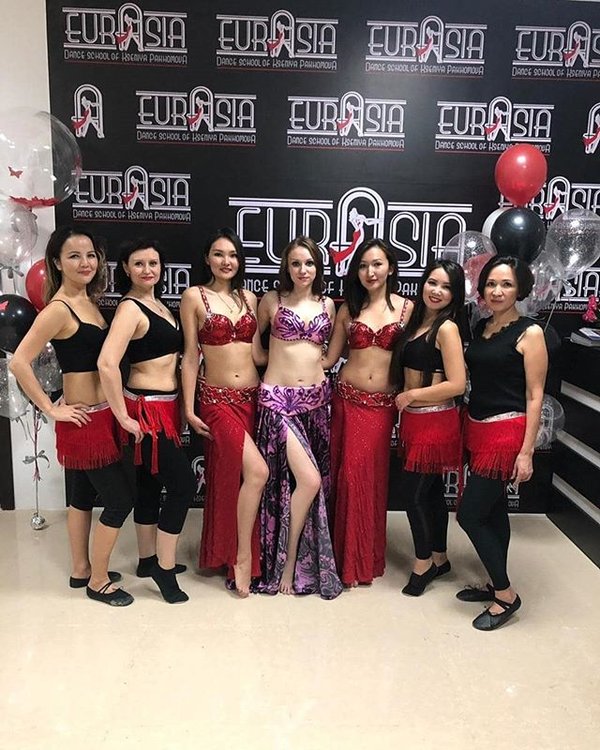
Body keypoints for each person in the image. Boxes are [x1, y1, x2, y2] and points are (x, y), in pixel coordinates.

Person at [10, 226, 134, 606]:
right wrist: (50, 409)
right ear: (57, 262)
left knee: (81, 495)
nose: (85, 262)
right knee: (119, 500)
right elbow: (19, 362)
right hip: (82, 422)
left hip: (100, 415)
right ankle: (98, 581)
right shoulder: (58, 309)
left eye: (90, 255)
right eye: (74, 256)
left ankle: (81, 569)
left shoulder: (89, 302)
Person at [98, 239, 195, 604]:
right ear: (125, 268)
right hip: (146, 410)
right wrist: (122, 415)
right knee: (183, 485)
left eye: (153, 263)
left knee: (150, 485)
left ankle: (147, 559)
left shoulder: (160, 304)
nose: (147, 270)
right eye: (138, 264)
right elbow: (107, 363)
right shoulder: (130, 308)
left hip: (165, 407)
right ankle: (163, 570)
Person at [456, 255, 547, 630]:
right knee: (494, 512)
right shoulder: (483, 327)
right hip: (477, 428)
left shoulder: (531, 333)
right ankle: (496, 582)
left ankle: (506, 596)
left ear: (520, 289)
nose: (497, 291)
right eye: (491, 283)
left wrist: (526, 452)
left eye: (506, 284)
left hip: (507, 432)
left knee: (469, 515)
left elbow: (535, 396)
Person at [180, 228, 268, 598]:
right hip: (216, 402)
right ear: (207, 258)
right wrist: (188, 408)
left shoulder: (249, 297)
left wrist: (299, 352)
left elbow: (258, 353)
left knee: (234, 478)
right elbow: (190, 356)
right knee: (258, 472)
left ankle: (226, 552)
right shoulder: (193, 296)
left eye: (232, 255)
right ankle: (241, 557)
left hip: (251, 399)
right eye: (218, 254)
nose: (226, 261)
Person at [255, 236, 342, 598]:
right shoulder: (271, 301)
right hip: (278, 402)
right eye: (295, 263)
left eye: (309, 263)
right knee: (308, 481)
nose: (302, 270)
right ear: (286, 267)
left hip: (317, 403)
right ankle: (287, 562)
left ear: (318, 267)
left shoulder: (328, 305)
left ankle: (303, 557)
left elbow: (329, 356)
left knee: (311, 485)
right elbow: (255, 351)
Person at [324, 238, 412, 586]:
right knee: (345, 477)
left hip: (381, 408)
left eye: (377, 264)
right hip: (346, 400)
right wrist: (289, 364)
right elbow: (329, 359)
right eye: (362, 266)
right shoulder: (349, 309)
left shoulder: (408, 309)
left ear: (390, 267)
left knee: (366, 479)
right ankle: (342, 557)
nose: (370, 272)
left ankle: (362, 557)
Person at [390, 260, 467, 596]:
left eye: (446, 287)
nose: (437, 291)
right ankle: (440, 557)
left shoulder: (447, 328)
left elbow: (457, 384)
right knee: (432, 492)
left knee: (413, 495)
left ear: (455, 294)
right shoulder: (417, 322)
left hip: (435, 420)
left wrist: (412, 395)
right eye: (432, 282)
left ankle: (423, 563)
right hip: (414, 420)